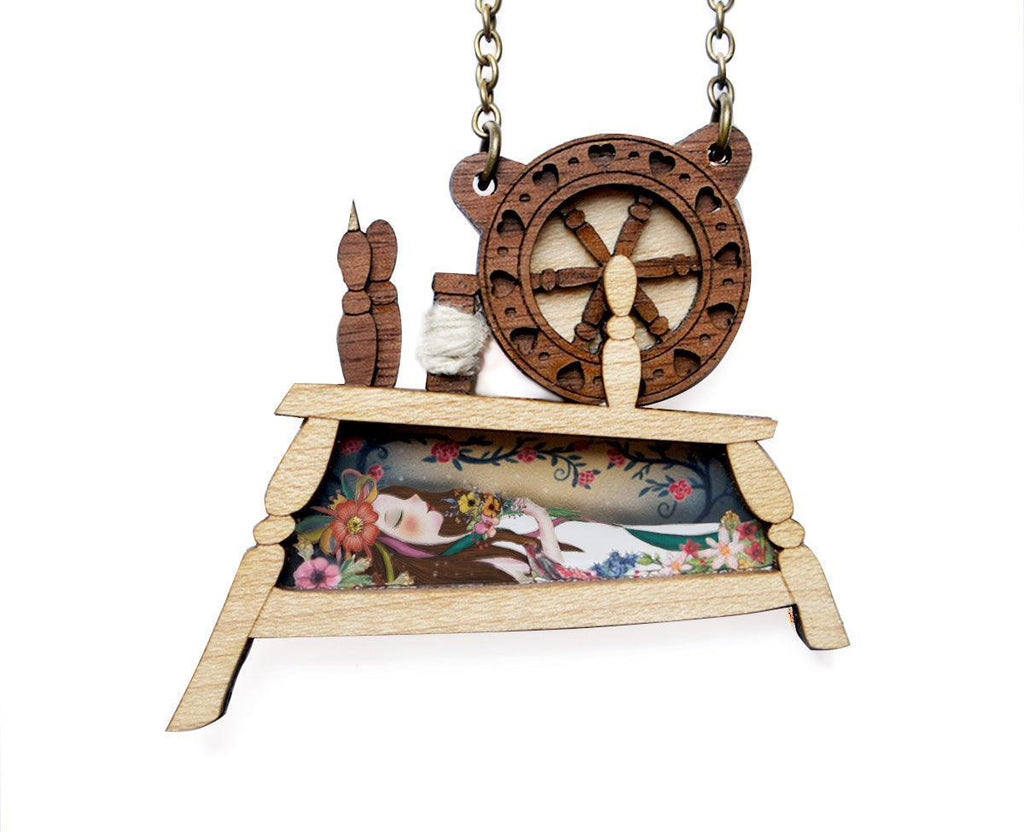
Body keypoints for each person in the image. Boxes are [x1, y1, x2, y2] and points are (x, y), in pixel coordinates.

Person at [285, 469, 771, 590]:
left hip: (604, 536)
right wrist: (540, 520)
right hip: (598, 559)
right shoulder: (469, 563)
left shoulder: (472, 525)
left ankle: (741, 546)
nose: (416, 503)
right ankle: (738, 553)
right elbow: (556, 575)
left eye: (406, 495)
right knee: (673, 557)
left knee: (670, 540)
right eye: (396, 518)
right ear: (399, 545)